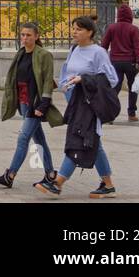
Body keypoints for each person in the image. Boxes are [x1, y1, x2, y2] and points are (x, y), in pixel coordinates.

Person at [35, 16, 120, 199]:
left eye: (79, 29)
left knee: (79, 140)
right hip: (74, 102)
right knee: (92, 142)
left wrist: (84, 79)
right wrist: (61, 84)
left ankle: (57, 183)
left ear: (90, 32)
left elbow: (111, 79)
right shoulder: (74, 49)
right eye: (73, 28)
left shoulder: (98, 52)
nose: (74, 32)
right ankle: (108, 185)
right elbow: (67, 73)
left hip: (90, 104)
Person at [0, 22, 61, 188]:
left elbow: (47, 81)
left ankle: (10, 174)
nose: (25, 38)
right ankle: (50, 173)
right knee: (39, 140)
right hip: (23, 102)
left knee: (23, 138)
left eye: (28, 35)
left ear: (36, 37)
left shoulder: (44, 55)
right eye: (22, 35)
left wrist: (43, 105)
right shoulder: (21, 53)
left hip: (35, 104)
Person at [100, 3, 139, 122]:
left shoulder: (111, 28)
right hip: (131, 63)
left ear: (118, 15)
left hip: (115, 62)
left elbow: (103, 46)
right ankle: (131, 114)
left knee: (115, 88)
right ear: (130, 15)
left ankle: (111, 114)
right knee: (133, 88)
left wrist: (101, 61)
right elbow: (138, 48)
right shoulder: (133, 29)